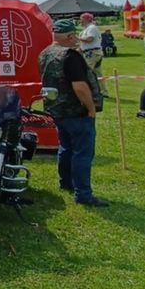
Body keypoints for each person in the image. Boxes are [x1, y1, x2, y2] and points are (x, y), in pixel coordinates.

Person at [39, 18, 107, 207]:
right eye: (74, 35)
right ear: (69, 36)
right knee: (82, 153)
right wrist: (91, 107)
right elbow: (80, 87)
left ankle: (66, 183)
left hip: (56, 110)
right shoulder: (70, 56)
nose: (77, 38)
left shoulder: (45, 53)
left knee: (65, 148)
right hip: (76, 111)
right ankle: (83, 194)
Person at [77, 13, 106, 96]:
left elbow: (90, 39)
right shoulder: (86, 29)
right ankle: (104, 91)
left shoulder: (91, 28)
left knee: (86, 72)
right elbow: (84, 44)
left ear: (87, 19)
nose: (80, 21)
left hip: (92, 53)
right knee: (98, 74)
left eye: (81, 19)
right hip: (91, 53)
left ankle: (89, 91)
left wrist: (77, 38)